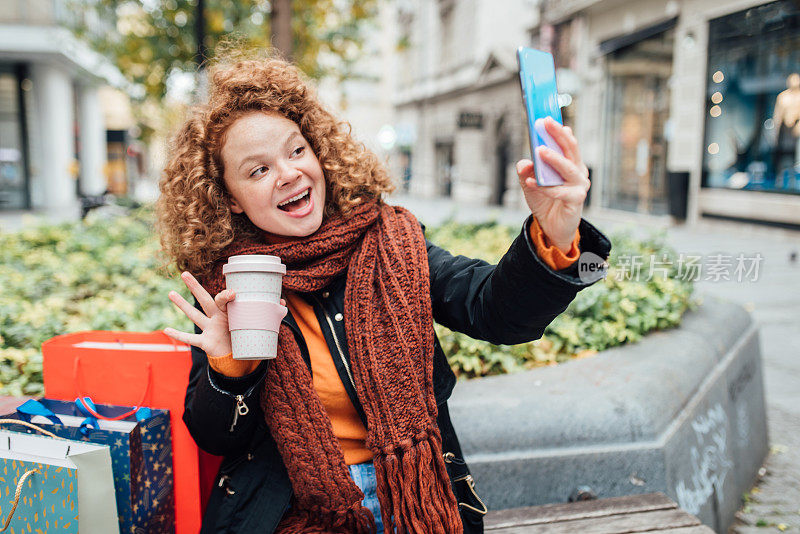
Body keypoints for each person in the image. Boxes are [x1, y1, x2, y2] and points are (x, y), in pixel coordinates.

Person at [157, 51, 611, 534]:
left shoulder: (390, 242)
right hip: (290, 510)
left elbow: (496, 311)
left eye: (296, 151)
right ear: (228, 197)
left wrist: (556, 236)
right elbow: (215, 437)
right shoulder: (228, 287)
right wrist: (229, 372)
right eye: (257, 170)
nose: (288, 173)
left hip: (418, 499)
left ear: (318, 152)